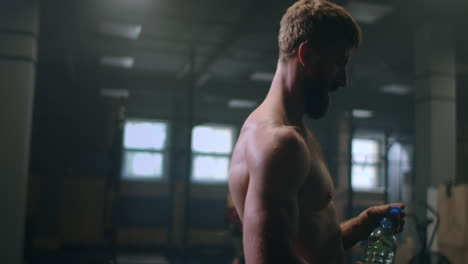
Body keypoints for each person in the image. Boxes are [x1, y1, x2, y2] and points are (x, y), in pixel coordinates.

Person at [228, 0, 405, 263]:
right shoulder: (279, 143)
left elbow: (308, 246)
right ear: (306, 55)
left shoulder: (297, 135)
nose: (343, 80)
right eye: (339, 64)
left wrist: (361, 225)